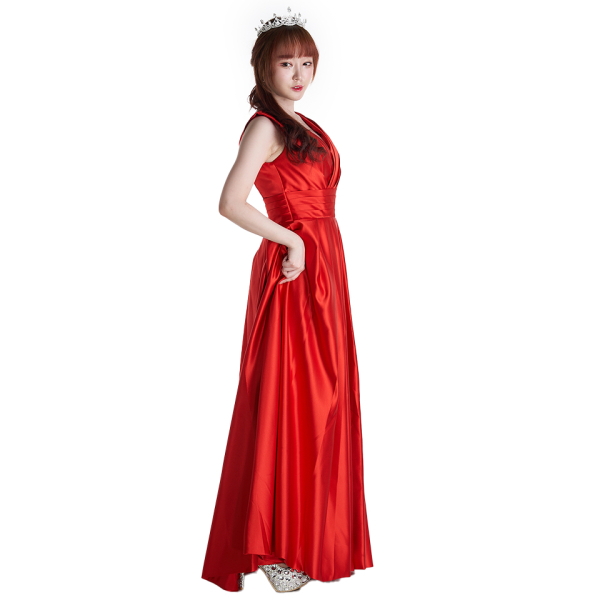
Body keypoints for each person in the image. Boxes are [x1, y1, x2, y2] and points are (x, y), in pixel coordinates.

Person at [201, 7, 374, 592]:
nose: (299, 74)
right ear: (264, 69)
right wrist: (294, 240)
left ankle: (310, 535)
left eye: (306, 63)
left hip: (326, 269)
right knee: (294, 398)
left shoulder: (304, 124)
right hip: (294, 272)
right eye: (286, 64)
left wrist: (310, 243)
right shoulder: (265, 127)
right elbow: (230, 202)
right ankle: (278, 544)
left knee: (327, 400)